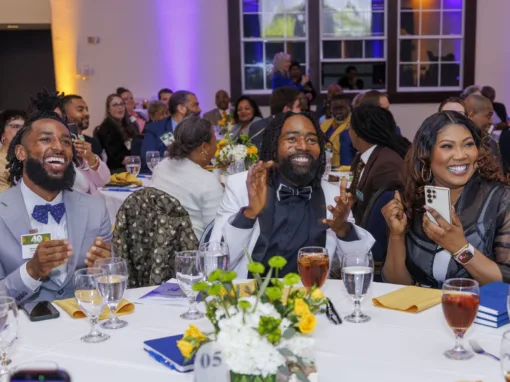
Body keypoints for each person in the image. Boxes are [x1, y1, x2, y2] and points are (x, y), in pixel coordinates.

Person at [210, 112, 374, 277]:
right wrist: (249, 213)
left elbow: (360, 268)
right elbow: (215, 266)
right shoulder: (242, 187)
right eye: (292, 139)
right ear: (274, 148)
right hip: (251, 297)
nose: (303, 146)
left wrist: (343, 230)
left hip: (311, 297)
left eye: (312, 140)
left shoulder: (334, 196)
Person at [0, 90, 112, 303]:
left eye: (66, 142)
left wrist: (103, 270)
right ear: (21, 153)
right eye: (45, 139)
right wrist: (31, 271)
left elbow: (106, 285)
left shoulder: (95, 208)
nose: (59, 147)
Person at [382, 111, 510, 288]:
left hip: (477, 311)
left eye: (468, 144)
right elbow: (395, 284)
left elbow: (507, 282)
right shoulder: (412, 199)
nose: (460, 155)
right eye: (447, 146)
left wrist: (461, 249)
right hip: (420, 311)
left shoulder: (501, 199)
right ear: (426, 154)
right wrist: (396, 235)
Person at [152, 116, 223, 239]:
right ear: (204, 147)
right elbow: (215, 233)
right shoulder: (207, 181)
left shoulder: (161, 167)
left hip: (158, 243)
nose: (216, 147)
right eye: (214, 141)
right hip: (191, 251)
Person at [348, 105, 410, 224]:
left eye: (349, 127)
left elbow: (381, 218)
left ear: (356, 132)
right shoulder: (360, 158)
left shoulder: (387, 165)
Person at [60, 95, 110, 195]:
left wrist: (91, 159)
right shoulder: (58, 145)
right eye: (80, 109)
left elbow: (104, 181)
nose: (86, 113)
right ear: (63, 115)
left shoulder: (91, 142)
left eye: (87, 109)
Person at [141, 90, 201, 165]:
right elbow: (148, 158)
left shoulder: (200, 128)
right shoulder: (156, 129)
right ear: (181, 108)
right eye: (195, 105)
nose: (199, 109)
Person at [94, 94, 140, 173]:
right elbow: (114, 157)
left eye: (121, 104)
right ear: (108, 109)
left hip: (132, 167)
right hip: (116, 171)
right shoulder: (106, 129)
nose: (120, 107)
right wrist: (133, 159)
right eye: (115, 105)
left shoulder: (130, 125)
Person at [465, 94, 500, 161]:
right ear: (471, 115)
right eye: (488, 116)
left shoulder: (491, 144)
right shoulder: (459, 145)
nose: (491, 122)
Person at [320, 94, 351, 167]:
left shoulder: (354, 124)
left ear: (349, 108)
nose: (338, 111)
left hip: (345, 168)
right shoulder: (325, 124)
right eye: (335, 108)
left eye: (341, 108)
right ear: (330, 109)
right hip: (325, 167)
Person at [0, 109, 27, 192]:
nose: (21, 131)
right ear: (2, 133)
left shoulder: (32, 158)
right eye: (15, 126)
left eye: (25, 127)